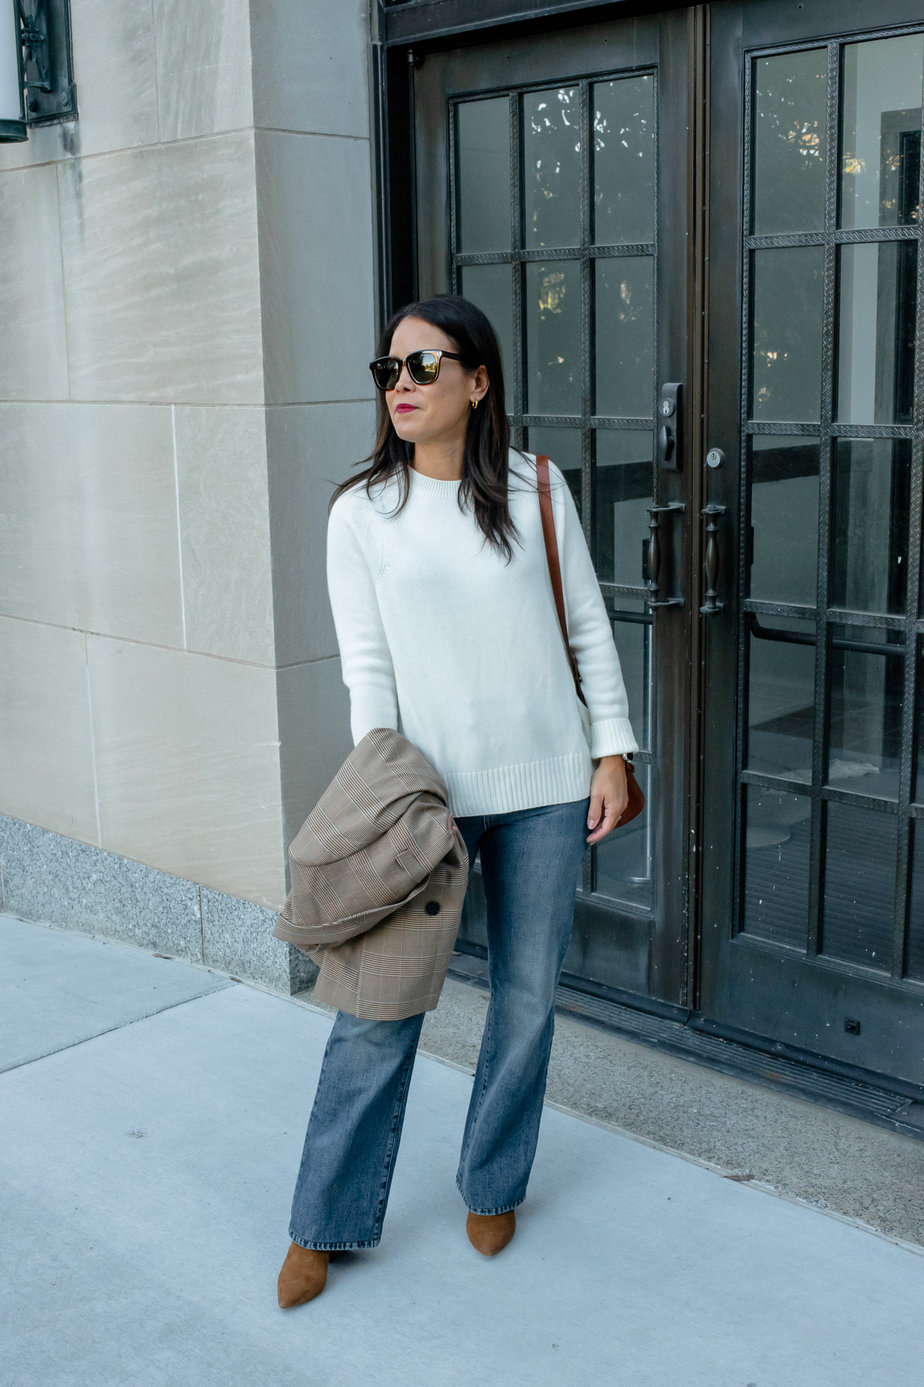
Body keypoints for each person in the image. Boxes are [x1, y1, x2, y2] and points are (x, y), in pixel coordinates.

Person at [277, 294, 638, 1308]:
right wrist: (389, 801)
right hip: (423, 810)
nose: (402, 384)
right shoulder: (361, 512)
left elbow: (588, 630)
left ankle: (492, 1179)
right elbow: (368, 672)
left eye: (425, 365)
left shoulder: (537, 488)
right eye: (389, 368)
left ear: (478, 382)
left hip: (546, 788)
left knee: (526, 1004)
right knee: (375, 1012)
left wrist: (609, 750)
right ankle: (324, 1218)